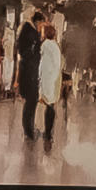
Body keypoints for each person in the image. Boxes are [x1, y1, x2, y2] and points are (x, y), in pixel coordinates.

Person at [32, 14, 63, 143]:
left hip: (46, 77)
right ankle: (49, 132)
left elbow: (41, 63)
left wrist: (38, 76)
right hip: (54, 77)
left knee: (42, 103)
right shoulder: (56, 47)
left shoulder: (45, 45)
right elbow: (58, 63)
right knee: (51, 105)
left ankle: (41, 129)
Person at [13, 14, 44, 140]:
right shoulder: (32, 33)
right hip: (30, 72)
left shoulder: (27, 31)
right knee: (32, 101)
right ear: (37, 21)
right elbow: (32, 52)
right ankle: (29, 130)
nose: (41, 26)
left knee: (31, 101)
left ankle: (29, 128)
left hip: (28, 71)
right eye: (41, 23)